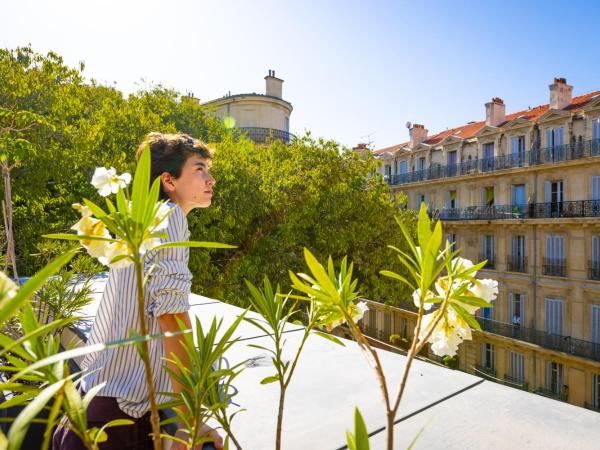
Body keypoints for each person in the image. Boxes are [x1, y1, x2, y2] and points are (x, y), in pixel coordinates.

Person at [53, 133, 223, 450]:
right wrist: (191, 420)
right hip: (118, 425)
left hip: (91, 412)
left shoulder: (139, 220)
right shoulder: (170, 219)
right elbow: (171, 321)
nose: (210, 179)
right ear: (169, 181)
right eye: (199, 168)